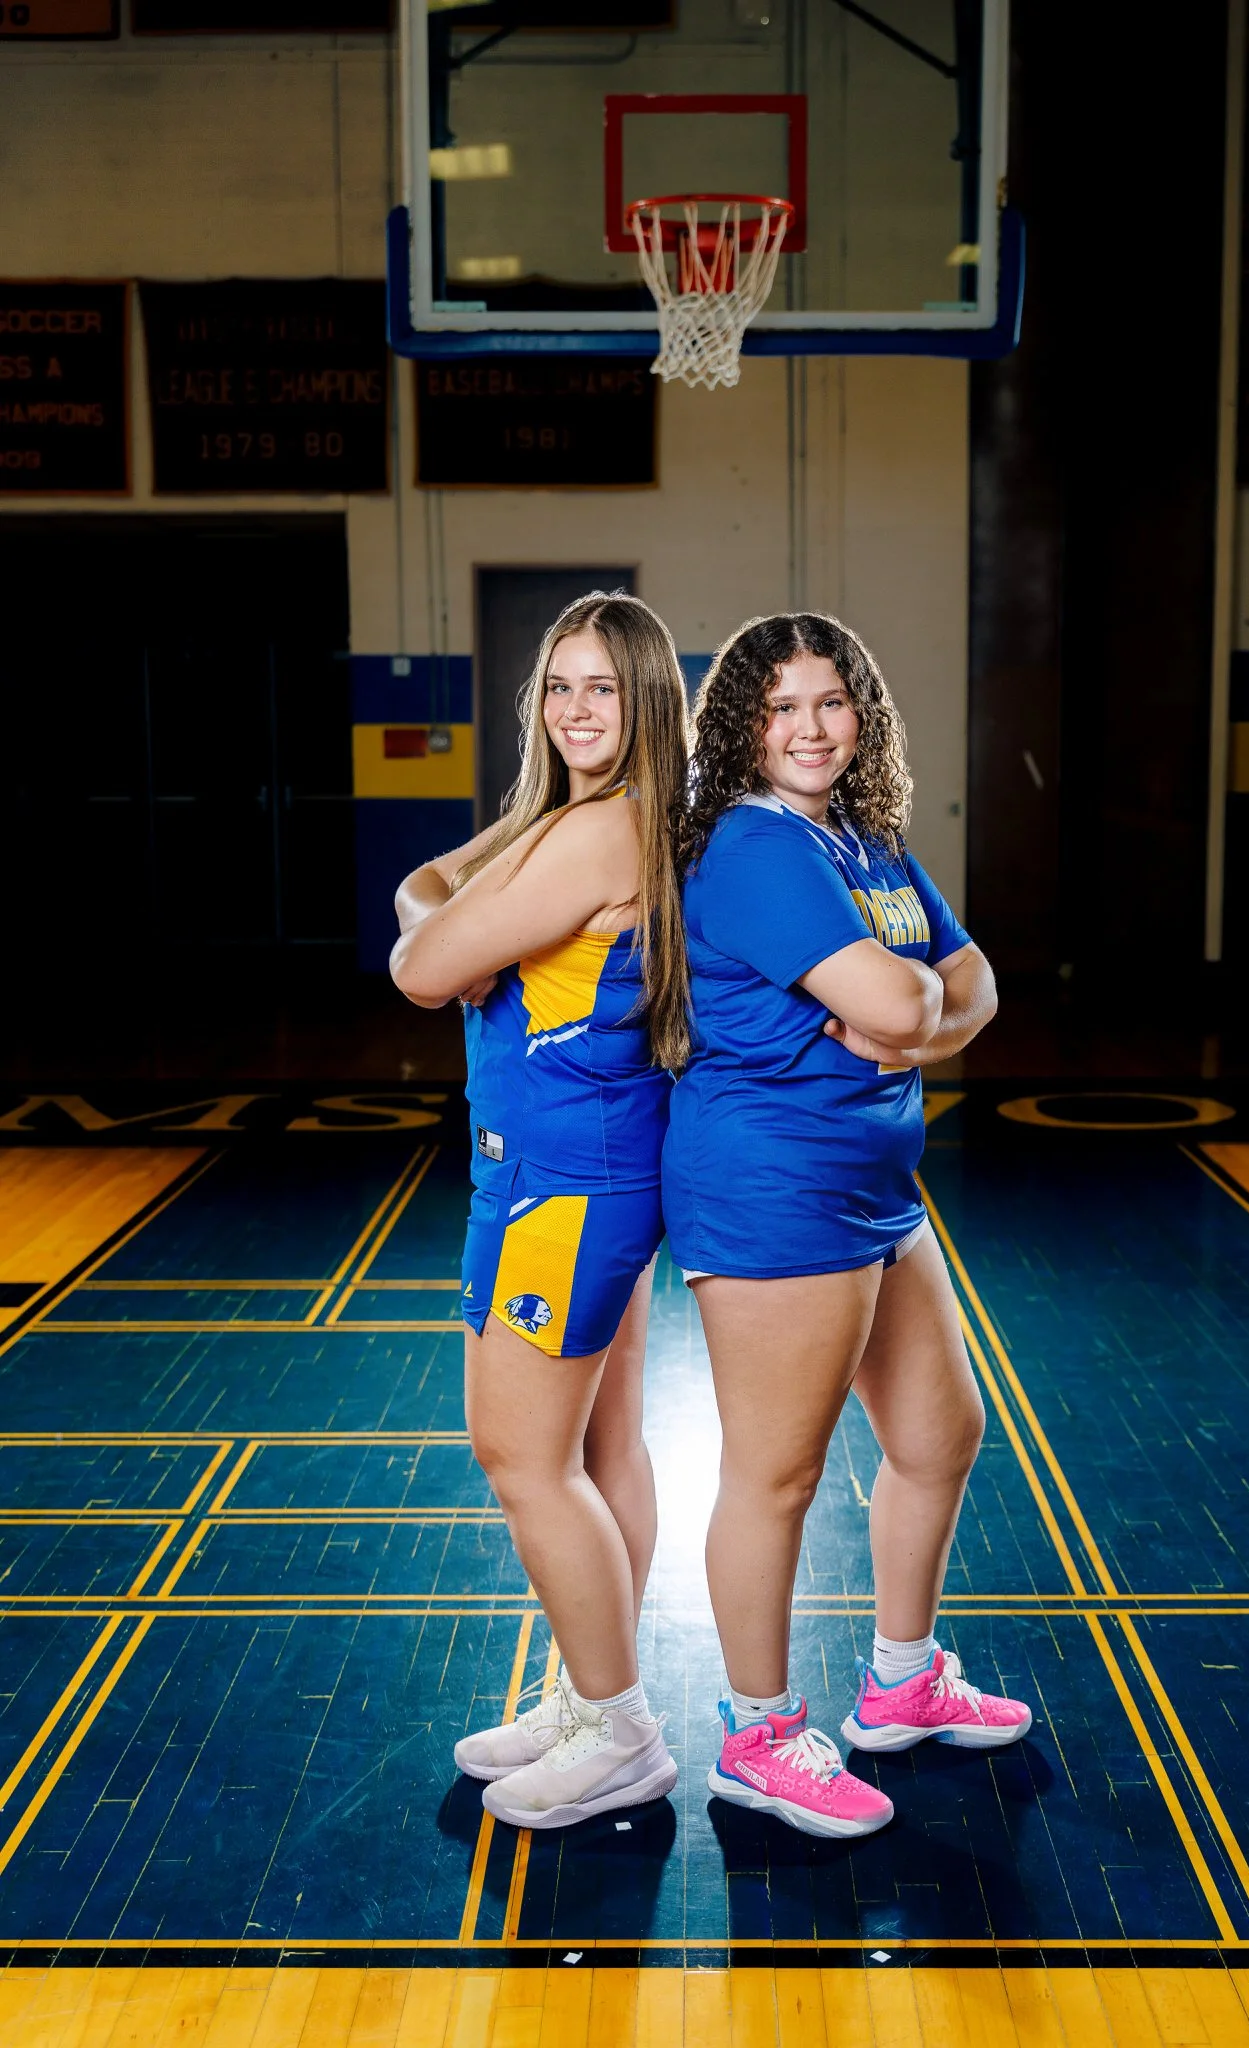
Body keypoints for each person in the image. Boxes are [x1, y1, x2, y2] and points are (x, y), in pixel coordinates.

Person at [664, 611, 1032, 1840]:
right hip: (773, 1188)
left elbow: (972, 980)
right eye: (781, 708)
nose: (811, 728)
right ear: (741, 726)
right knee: (778, 1475)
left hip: (877, 1182)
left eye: (831, 702)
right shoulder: (756, 845)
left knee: (938, 1435)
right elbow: (909, 988)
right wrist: (910, 1002)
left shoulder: (861, 839)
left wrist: (907, 1013)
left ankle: (902, 1679)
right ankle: (760, 1735)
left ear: (859, 714)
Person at [390, 592, 691, 1830]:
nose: (577, 709)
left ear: (647, 701)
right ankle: (587, 1689)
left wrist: (449, 931)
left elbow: (420, 957)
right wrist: (449, 919)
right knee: (598, 1448)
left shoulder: (596, 833)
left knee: (521, 1457)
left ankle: (618, 1726)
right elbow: (433, 892)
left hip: (563, 1184)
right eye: (559, 685)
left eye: (604, 686)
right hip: (565, 1170)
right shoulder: (571, 818)